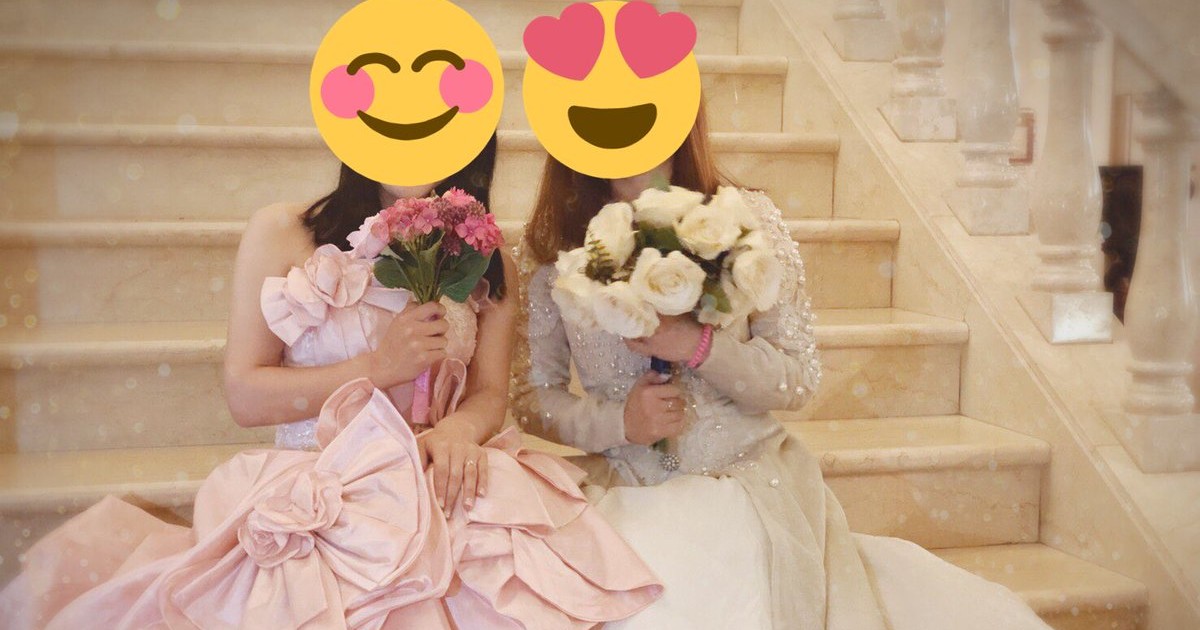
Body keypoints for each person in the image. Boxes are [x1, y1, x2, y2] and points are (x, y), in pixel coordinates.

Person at [0, 135, 663, 629]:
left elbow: (491, 391)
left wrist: (460, 430)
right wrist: (374, 368)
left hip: (439, 476)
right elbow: (244, 395)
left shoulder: (487, 256)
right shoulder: (283, 233)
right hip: (323, 479)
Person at [513, 102, 1055, 630]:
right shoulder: (554, 248)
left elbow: (797, 378)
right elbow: (533, 397)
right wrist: (620, 423)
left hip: (744, 477)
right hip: (626, 483)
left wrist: (699, 347)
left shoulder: (741, 220)